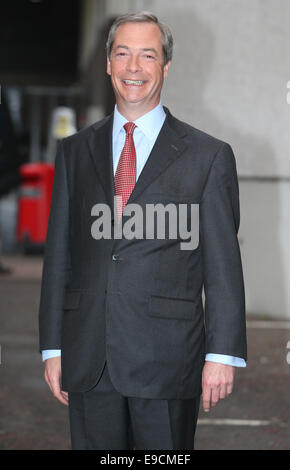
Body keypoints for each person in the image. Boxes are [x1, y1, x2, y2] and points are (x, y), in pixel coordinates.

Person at [38, 11, 247, 450]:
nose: (134, 67)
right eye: (123, 54)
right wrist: (53, 347)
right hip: (88, 358)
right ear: (109, 64)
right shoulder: (74, 152)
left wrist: (222, 354)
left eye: (147, 55)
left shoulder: (207, 157)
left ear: (165, 67)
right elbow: (60, 255)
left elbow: (223, 266)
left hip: (168, 361)